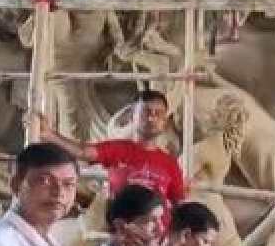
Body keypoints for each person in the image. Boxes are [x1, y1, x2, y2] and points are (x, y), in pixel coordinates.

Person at [36, 89, 187, 227]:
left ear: (165, 121)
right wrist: (49, 135)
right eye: (146, 112)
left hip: (157, 235)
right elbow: (83, 152)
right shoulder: (118, 149)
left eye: (158, 113)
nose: (151, 118)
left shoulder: (170, 164)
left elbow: (179, 204)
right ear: (132, 117)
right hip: (121, 232)